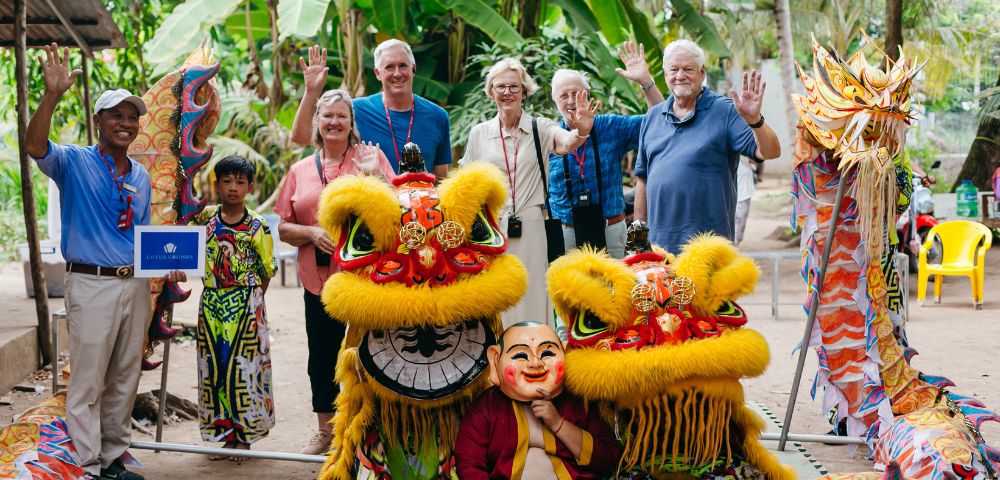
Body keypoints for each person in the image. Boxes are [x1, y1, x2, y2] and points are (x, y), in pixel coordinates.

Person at [25, 43, 185, 480]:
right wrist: (52, 95)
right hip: (90, 283)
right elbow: (34, 145)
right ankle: (87, 463)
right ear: (98, 121)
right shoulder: (74, 161)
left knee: (123, 376)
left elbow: (139, 237)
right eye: (116, 115)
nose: (126, 123)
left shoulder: (140, 175)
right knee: (89, 378)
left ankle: (114, 456)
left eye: (133, 117)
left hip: (134, 284)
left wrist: (167, 262)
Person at [274, 89, 395, 455]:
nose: (334, 122)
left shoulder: (370, 158)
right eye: (327, 116)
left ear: (351, 123)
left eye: (342, 116)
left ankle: (371, 428)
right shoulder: (299, 170)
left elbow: (397, 208)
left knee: (371, 352)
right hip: (319, 280)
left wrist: (375, 176)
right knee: (322, 356)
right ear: (317, 124)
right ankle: (325, 432)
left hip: (367, 278)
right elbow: (282, 226)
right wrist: (311, 233)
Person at [460, 58, 599, 328]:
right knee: (497, 295)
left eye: (514, 86)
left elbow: (568, 142)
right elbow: (467, 181)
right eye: (500, 86)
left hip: (531, 224)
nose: (507, 92)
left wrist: (581, 129)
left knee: (533, 292)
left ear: (524, 91)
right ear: (491, 91)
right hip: (492, 228)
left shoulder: (540, 127)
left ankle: (535, 356)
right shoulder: (479, 133)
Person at [633, 39, 781, 253]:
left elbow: (770, 151)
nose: (680, 75)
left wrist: (755, 120)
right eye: (673, 69)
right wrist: (639, 238)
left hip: (709, 248)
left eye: (688, 69)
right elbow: (642, 178)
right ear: (665, 75)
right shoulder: (652, 117)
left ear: (702, 73)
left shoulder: (725, 111)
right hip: (659, 249)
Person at [189, 155, 276, 461]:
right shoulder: (205, 220)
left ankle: (246, 437)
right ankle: (225, 435)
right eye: (227, 180)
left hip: (246, 306)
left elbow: (266, 272)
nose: (233, 187)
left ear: (250, 187)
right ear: (217, 184)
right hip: (211, 304)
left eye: (240, 181)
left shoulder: (258, 226)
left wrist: (251, 303)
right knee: (215, 368)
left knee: (246, 370)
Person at [454, 322, 620, 479]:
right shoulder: (486, 406)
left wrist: (558, 424)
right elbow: (469, 463)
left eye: (547, 353)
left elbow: (608, 457)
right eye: (520, 355)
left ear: (565, 353)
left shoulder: (577, 401)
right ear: (495, 360)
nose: (535, 363)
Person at [548, 41, 664, 258]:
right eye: (564, 95)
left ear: (588, 94)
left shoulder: (611, 126)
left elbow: (660, 121)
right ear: (555, 100)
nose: (572, 101)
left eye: (577, 93)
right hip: (566, 234)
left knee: (615, 290)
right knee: (569, 292)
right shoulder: (548, 135)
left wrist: (646, 82)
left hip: (611, 230)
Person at [291, 41, 452, 179]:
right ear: (377, 73)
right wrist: (311, 92)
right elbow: (302, 137)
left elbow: (440, 178)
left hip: (419, 211)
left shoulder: (438, 116)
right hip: (371, 209)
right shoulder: (355, 110)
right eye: (389, 67)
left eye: (403, 66)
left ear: (413, 69)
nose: (397, 73)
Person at [734, 156, 755, 246]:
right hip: (738, 191)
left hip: (745, 190)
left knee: (741, 221)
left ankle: (735, 244)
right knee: (737, 220)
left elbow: (756, 159)